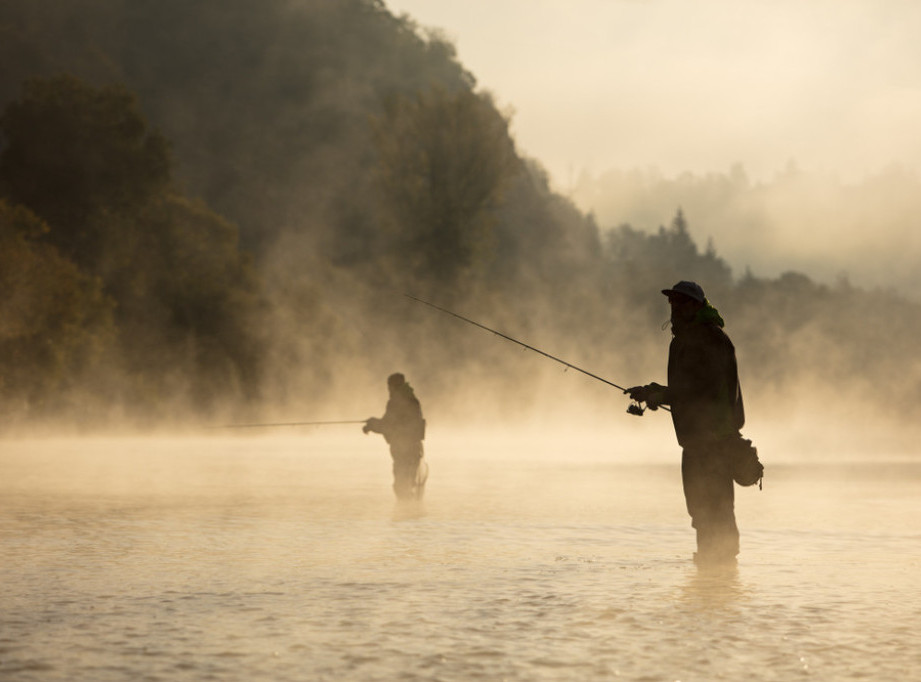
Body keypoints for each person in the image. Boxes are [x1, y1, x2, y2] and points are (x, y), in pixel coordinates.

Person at [627, 281, 746, 566]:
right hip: (696, 439)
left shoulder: (708, 339)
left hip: (713, 439)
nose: (674, 307)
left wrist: (660, 395)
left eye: (681, 302)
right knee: (701, 508)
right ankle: (712, 570)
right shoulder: (689, 337)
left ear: (695, 305)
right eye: (672, 302)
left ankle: (719, 566)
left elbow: (701, 389)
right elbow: (688, 388)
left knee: (714, 508)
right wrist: (654, 392)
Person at [363, 373, 428, 500]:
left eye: (389, 386)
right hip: (415, 447)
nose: (388, 389)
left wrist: (370, 425)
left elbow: (387, 425)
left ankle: (405, 509)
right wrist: (373, 423)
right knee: (410, 482)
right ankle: (412, 509)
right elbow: (392, 424)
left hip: (402, 449)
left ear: (393, 386)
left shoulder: (395, 402)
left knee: (401, 486)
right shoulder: (413, 400)